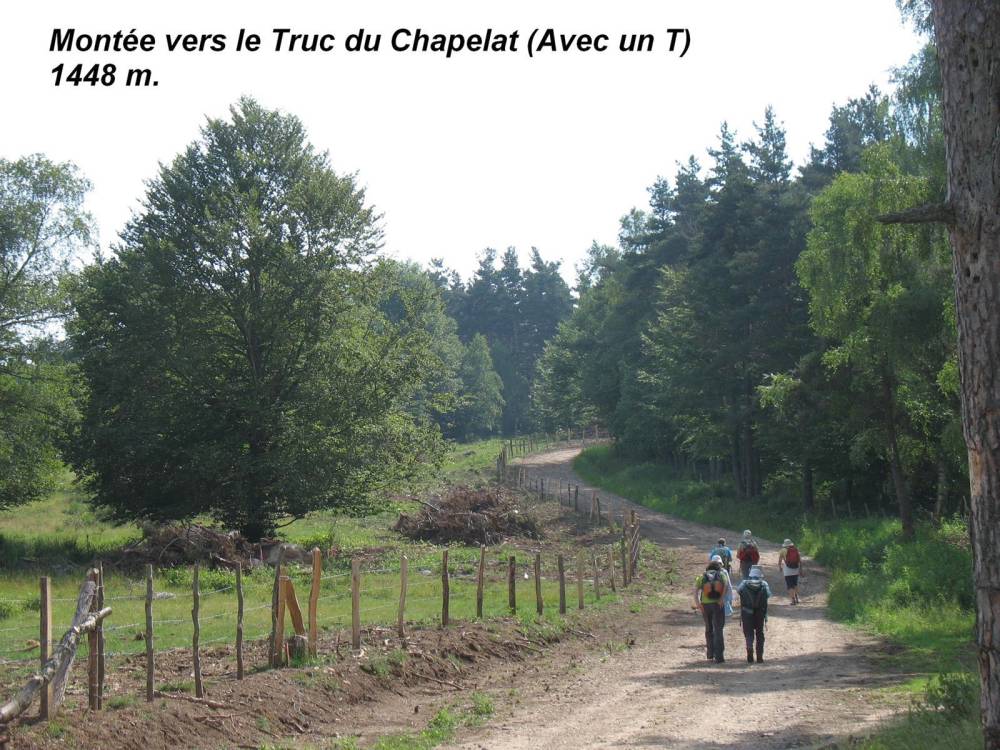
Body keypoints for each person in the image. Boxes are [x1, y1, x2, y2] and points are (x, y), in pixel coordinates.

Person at [694, 555, 733, 663]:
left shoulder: (702, 576)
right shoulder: (721, 574)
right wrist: (721, 598)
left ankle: (710, 654)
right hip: (717, 604)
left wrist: (698, 604)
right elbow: (726, 586)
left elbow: (695, 590)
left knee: (709, 629)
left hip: (705, 605)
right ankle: (719, 657)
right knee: (718, 629)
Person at [736, 565, 771, 663]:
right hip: (760, 613)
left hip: (746, 612)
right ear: (760, 576)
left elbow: (738, 591)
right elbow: (768, 595)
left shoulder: (744, 583)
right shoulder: (764, 584)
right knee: (760, 633)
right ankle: (759, 656)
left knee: (748, 633)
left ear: (750, 575)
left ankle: (749, 649)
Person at [778, 539, 802, 604]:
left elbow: (780, 560)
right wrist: (800, 569)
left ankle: (793, 600)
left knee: (790, 585)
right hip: (795, 569)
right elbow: (799, 560)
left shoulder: (782, 550)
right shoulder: (795, 549)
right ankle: (797, 598)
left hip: (787, 570)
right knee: (795, 584)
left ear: (784, 544)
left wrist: (780, 567)